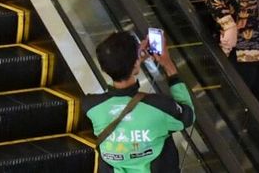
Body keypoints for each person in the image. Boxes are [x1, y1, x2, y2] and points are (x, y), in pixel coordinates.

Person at [83, 31, 194, 172]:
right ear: (136, 65)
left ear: (104, 68)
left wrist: (133, 62)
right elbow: (188, 116)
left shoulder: (90, 106)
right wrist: (168, 65)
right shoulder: (160, 107)